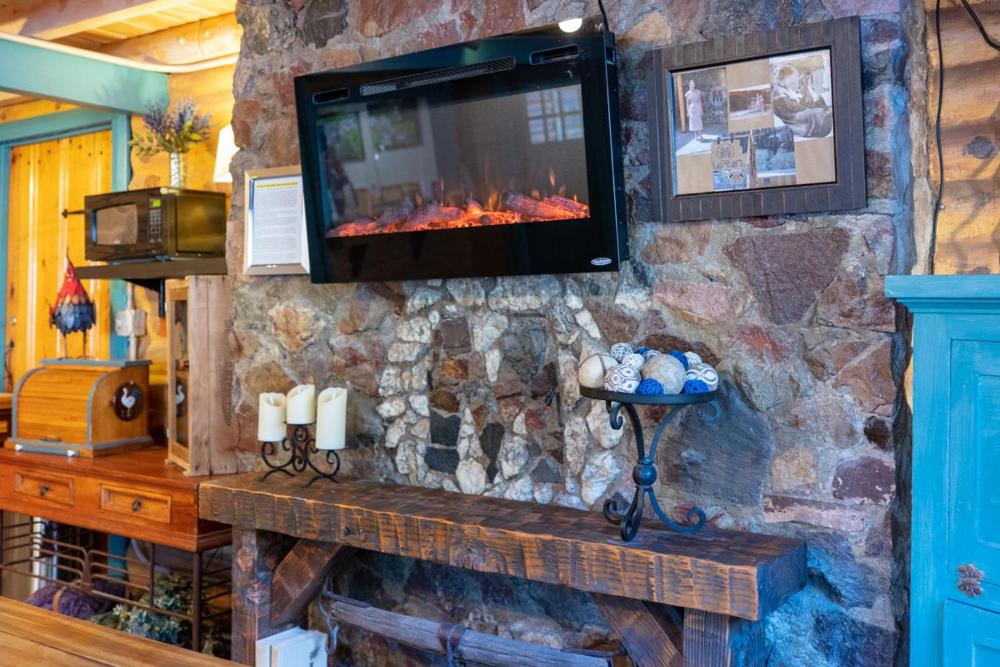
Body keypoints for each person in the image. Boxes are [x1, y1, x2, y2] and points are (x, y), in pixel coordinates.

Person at [771, 64, 833, 138]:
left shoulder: (786, 90)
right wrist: (806, 108)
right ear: (783, 78)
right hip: (791, 116)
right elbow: (791, 106)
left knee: (816, 108)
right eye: (792, 80)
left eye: (794, 80)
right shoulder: (779, 92)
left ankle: (822, 118)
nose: (793, 82)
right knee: (815, 112)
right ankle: (819, 123)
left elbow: (795, 103)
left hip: (793, 112)